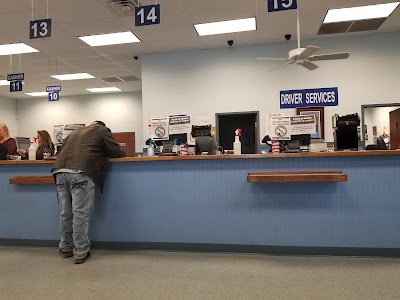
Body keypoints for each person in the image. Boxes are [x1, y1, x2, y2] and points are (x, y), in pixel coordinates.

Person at [52, 121, 125, 264]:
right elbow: (116, 151)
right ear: (103, 126)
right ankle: (80, 252)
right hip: (80, 172)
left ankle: (65, 248)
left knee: (65, 213)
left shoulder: (75, 132)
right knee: (80, 214)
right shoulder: (102, 130)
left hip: (59, 171)